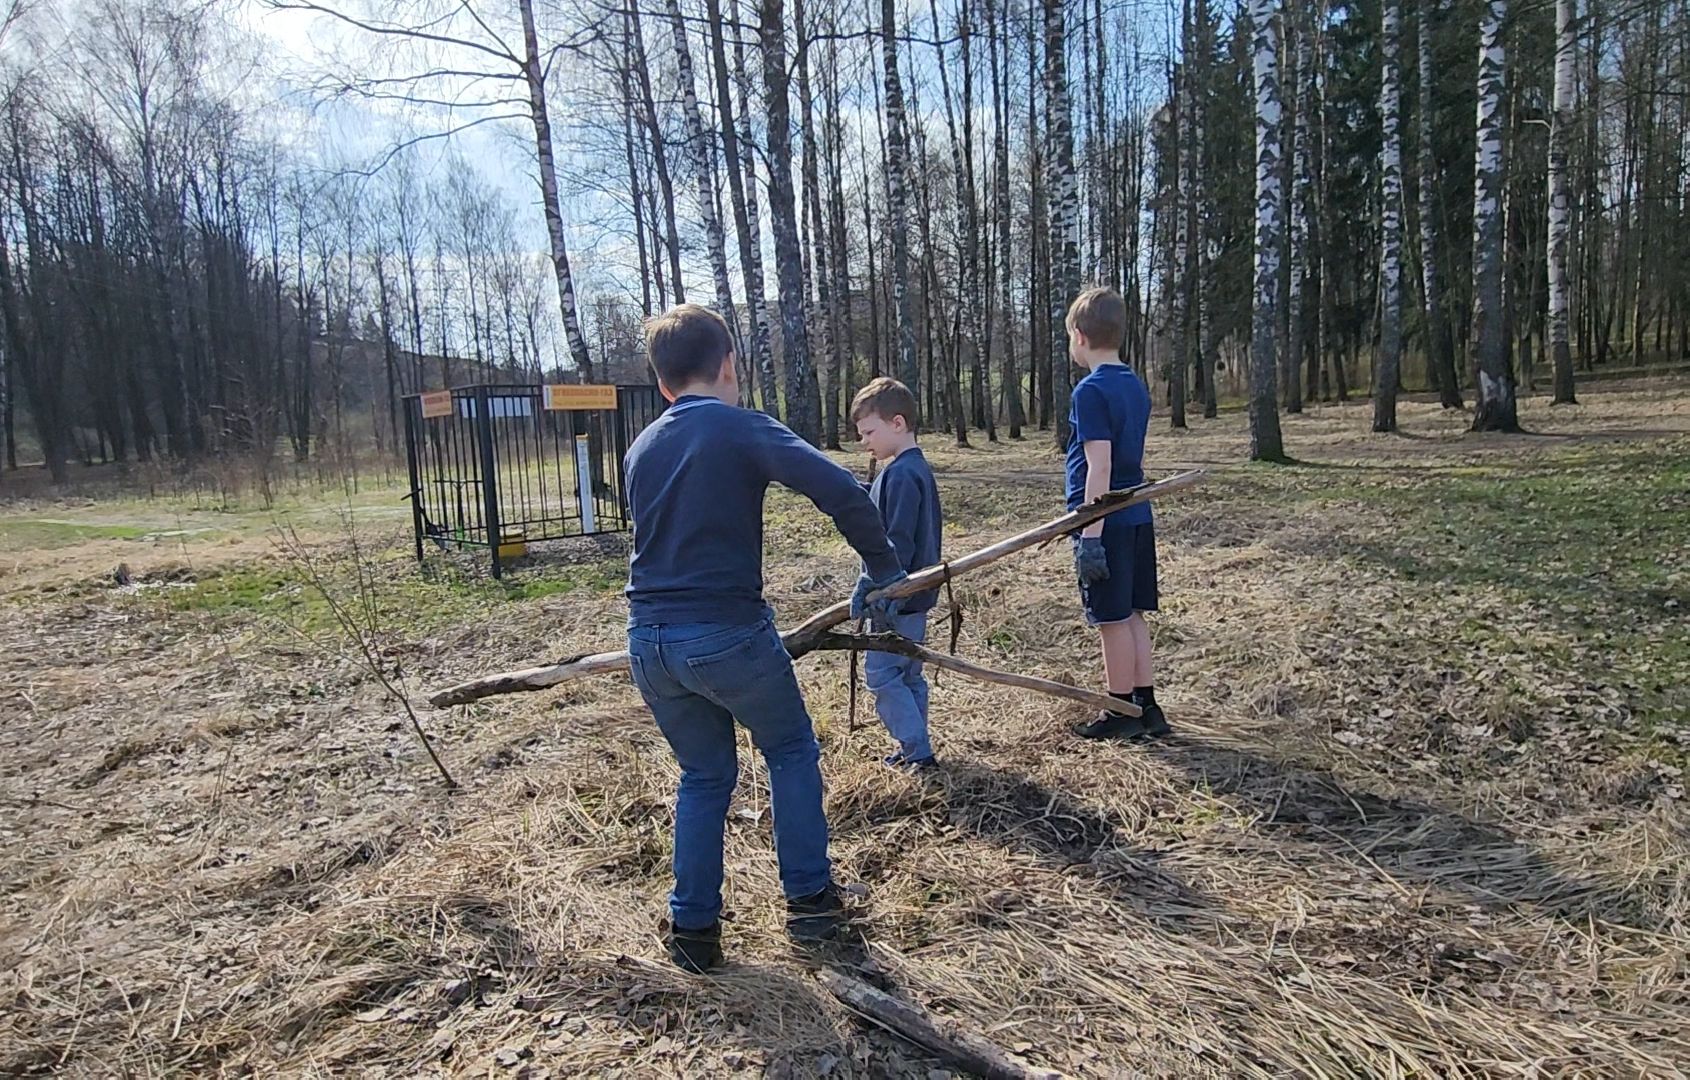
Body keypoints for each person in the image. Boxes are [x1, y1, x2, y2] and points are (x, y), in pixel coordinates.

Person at [622, 304, 907, 973]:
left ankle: (693, 933)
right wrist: (887, 569)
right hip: (726, 635)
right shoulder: (742, 426)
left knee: (703, 775)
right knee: (788, 748)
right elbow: (843, 491)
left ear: (664, 385)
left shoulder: (641, 446)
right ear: (729, 367)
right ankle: (810, 905)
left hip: (648, 643)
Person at [1062, 286, 1170, 741]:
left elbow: (1100, 464)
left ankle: (1119, 707)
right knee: (1131, 614)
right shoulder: (1133, 384)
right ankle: (1147, 705)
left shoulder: (1091, 391)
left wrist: (1090, 533)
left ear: (1080, 336)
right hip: (1137, 516)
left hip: (1107, 522)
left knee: (1110, 619)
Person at [850, 377, 943, 771]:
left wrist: (880, 588)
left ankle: (916, 749)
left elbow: (898, 541)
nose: (864, 441)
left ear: (898, 424)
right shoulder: (909, 470)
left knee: (883, 674)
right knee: (908, 673)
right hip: (914, 597)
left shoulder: (902, 475)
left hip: (899, 598)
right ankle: (915, 748)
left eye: (870, 432)